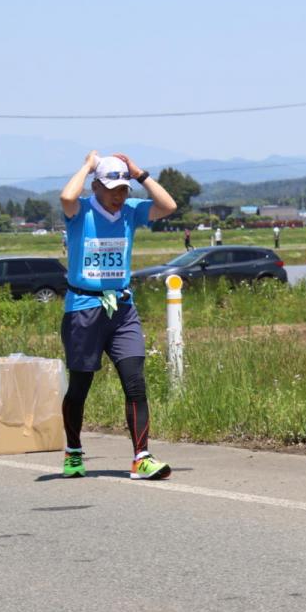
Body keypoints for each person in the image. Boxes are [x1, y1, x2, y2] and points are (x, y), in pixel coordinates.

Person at [58, 151, 177, 479]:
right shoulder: (80, 211)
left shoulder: (131, 212)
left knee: (135, 382)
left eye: (123, 188)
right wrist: (86, 165)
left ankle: (142, 456)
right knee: (80, 385)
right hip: (84, 308)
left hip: (122, 309)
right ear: (95, 186)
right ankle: (73, 451)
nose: (117, 195)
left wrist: (140, 174)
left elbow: (168, 206)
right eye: (111, 188)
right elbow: (67, 195)